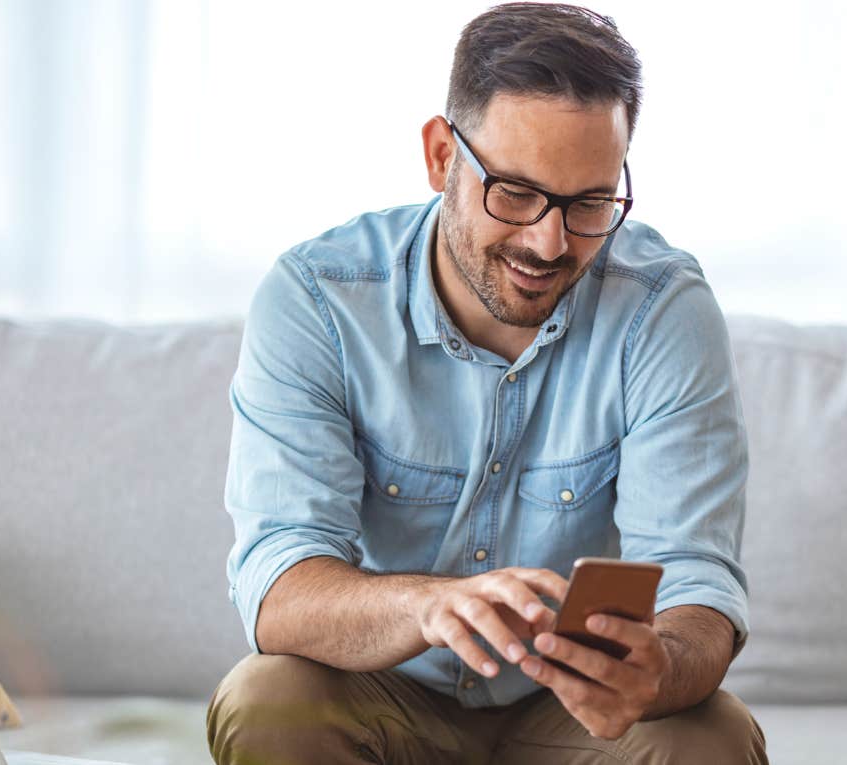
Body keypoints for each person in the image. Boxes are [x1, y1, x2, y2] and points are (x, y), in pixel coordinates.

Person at [206, 3, 768, 762]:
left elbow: (696, 582)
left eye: (590, 203)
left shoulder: (661, 310)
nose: (550, 241)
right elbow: (279, 584)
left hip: (568, 712)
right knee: (265, 699)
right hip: (385, 691)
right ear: (442, 157)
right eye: (515, 191)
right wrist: (431, 605)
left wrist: (659, 663)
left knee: (711, 733)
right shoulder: (318, 300)